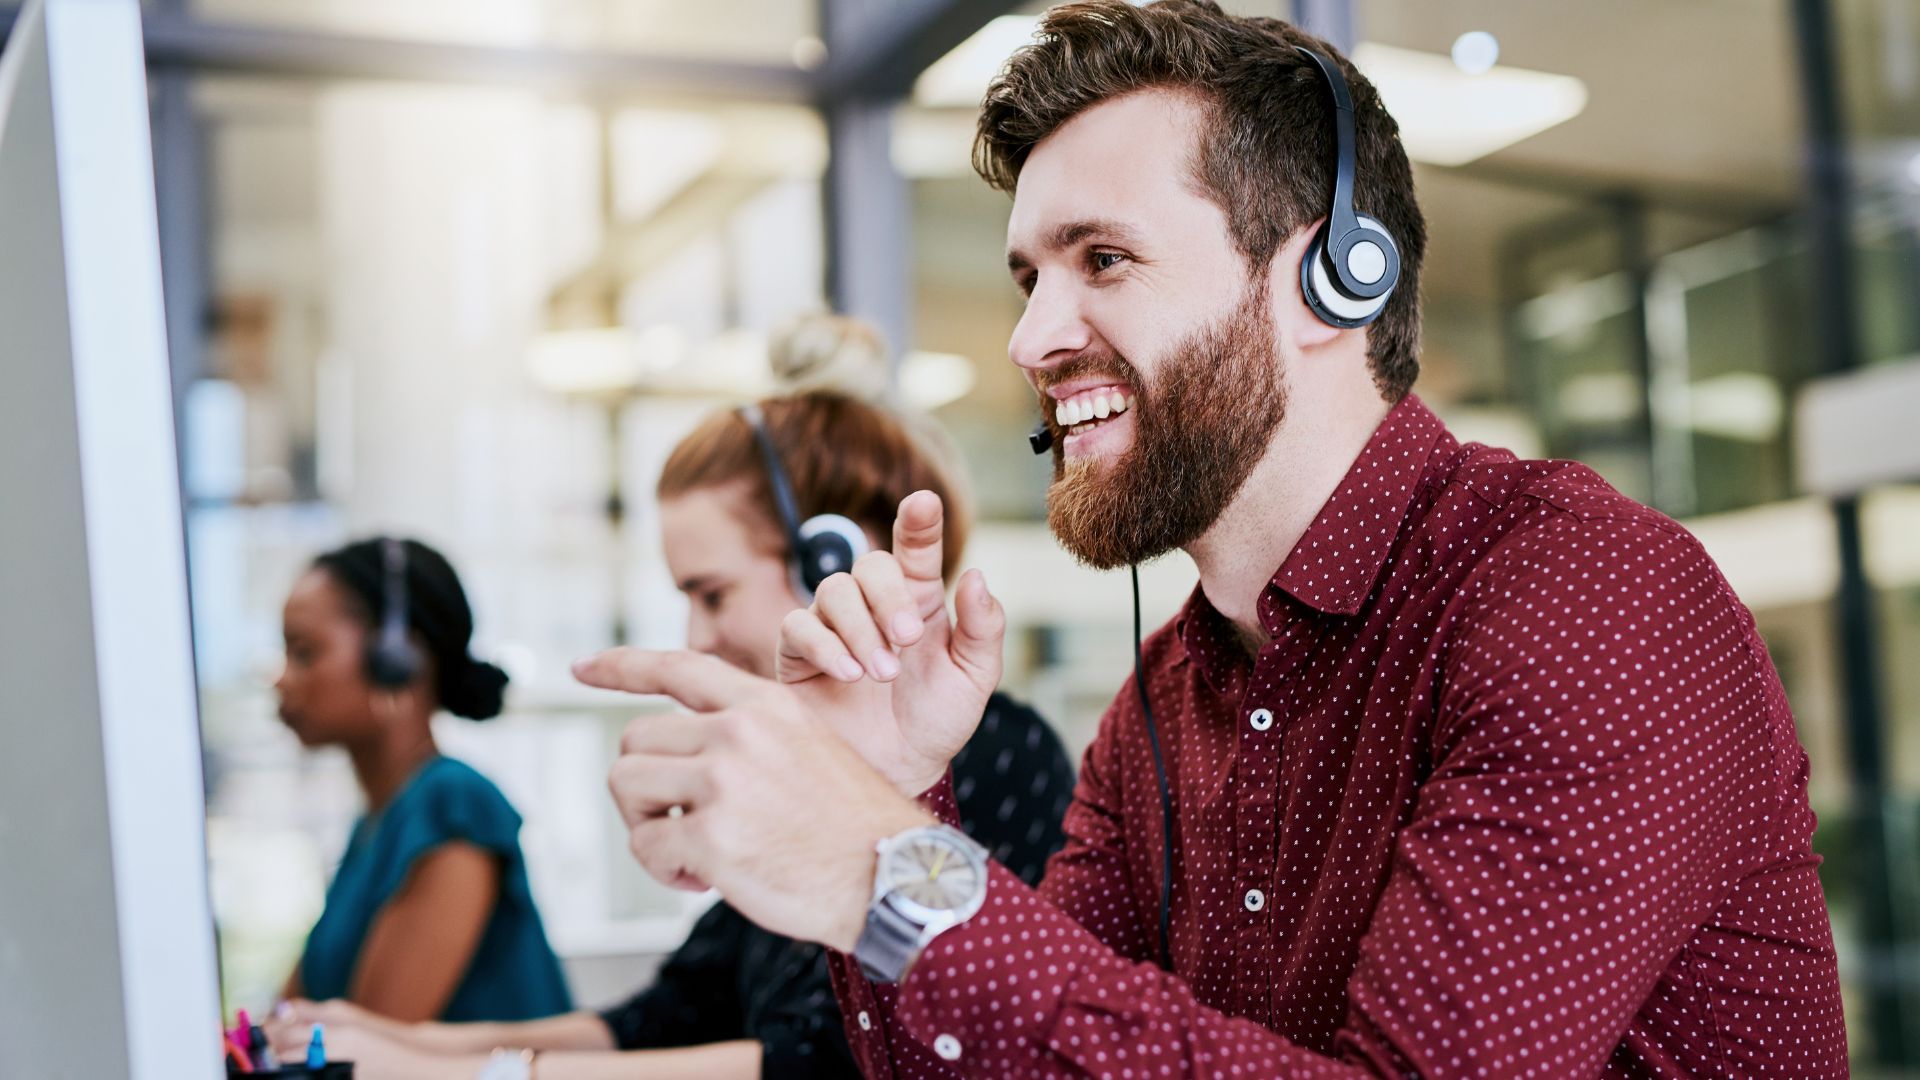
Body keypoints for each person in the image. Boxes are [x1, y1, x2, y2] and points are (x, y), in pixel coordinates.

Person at [576, 2, 1849, 1077]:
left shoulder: (1586, 597)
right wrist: (898, 798)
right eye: (1030, 276)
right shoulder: (1163, 705)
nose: (1029, 342)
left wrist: (891, 872)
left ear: (1327, 282)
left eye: (1104, 258)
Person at [269, 387, 1076, 1080]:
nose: (695, 637)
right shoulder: (804, 774)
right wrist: (395, 1043)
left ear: (830, 565)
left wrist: (460, 1071)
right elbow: (666, 1016)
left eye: (713, 594)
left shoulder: (992, 755)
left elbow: (821, 1062)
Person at [276, 537, 571, 1023]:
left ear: (397, 658)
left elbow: (369, 1047)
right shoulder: (377, 822)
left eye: (305, 653)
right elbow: (288, 1021)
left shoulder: (451, 805)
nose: (283, 680)